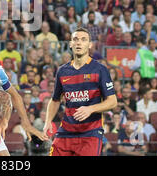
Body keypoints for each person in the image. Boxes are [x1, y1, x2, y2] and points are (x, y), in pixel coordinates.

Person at [43, 28, 117, 156]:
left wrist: (90, 109)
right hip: (66, 131)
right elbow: (55, 100)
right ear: (70, 44)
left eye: (83, 40)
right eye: (75, 39)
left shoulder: (100, 69)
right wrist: (48, 121)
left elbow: (112, 101)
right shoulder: (62, 71)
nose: (79, 43)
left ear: (89, 45)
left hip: (90, 133)